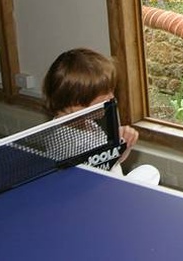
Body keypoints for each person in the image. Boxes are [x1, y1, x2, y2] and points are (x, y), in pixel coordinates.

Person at [42, 47, 159, 184]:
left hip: (112, 181)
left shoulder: (86, 122)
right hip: (99, 191)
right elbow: (87, 182)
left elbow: (110, 163)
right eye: (104, 96)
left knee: (150, 171)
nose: (112, 97)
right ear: (76, 102)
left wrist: (122, 146)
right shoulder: (63, 142)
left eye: (111, 91)